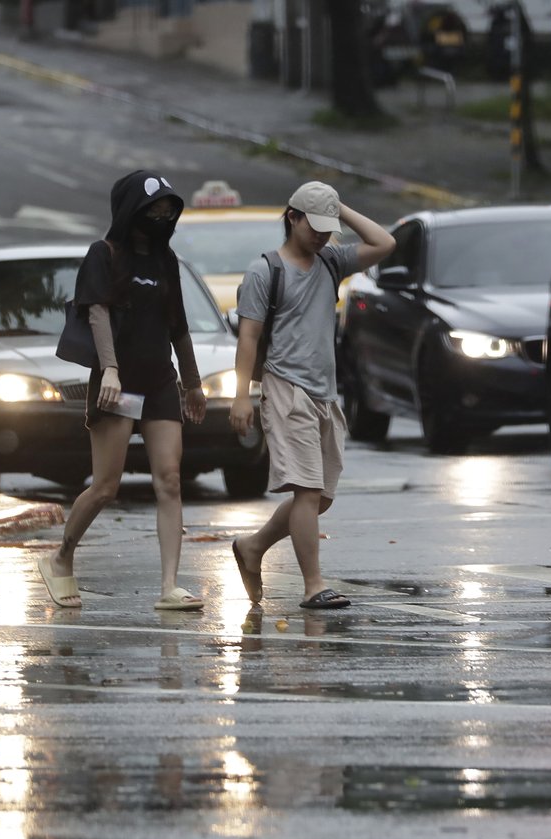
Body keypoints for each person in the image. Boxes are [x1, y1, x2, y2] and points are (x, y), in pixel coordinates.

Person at [37, 170, 208, 612]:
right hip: (120, 385)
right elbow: (97, 313)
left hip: (159, 383)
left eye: (168, 210)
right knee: (106, 486)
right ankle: (61, 557)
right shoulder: (105, 255)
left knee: (169, 480)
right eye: (154, 209)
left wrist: (192, 383)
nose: (162, 216)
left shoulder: (166, 261)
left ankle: (170, 585)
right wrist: (109, 370)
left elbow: (179, 326)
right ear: (132, 210)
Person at [229, 182, 396, 609]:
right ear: (292, 218)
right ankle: (313, 585)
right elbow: (248, 338)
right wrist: (241, 396)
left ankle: (252, 547)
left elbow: (385, 242)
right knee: (305, 491)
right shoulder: (265, 271)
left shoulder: (331, 261)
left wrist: (338, 207)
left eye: (328, 227)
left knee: (319, 498)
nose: (321, 235)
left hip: (325, 393)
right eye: (314, 225)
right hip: (285, 387)